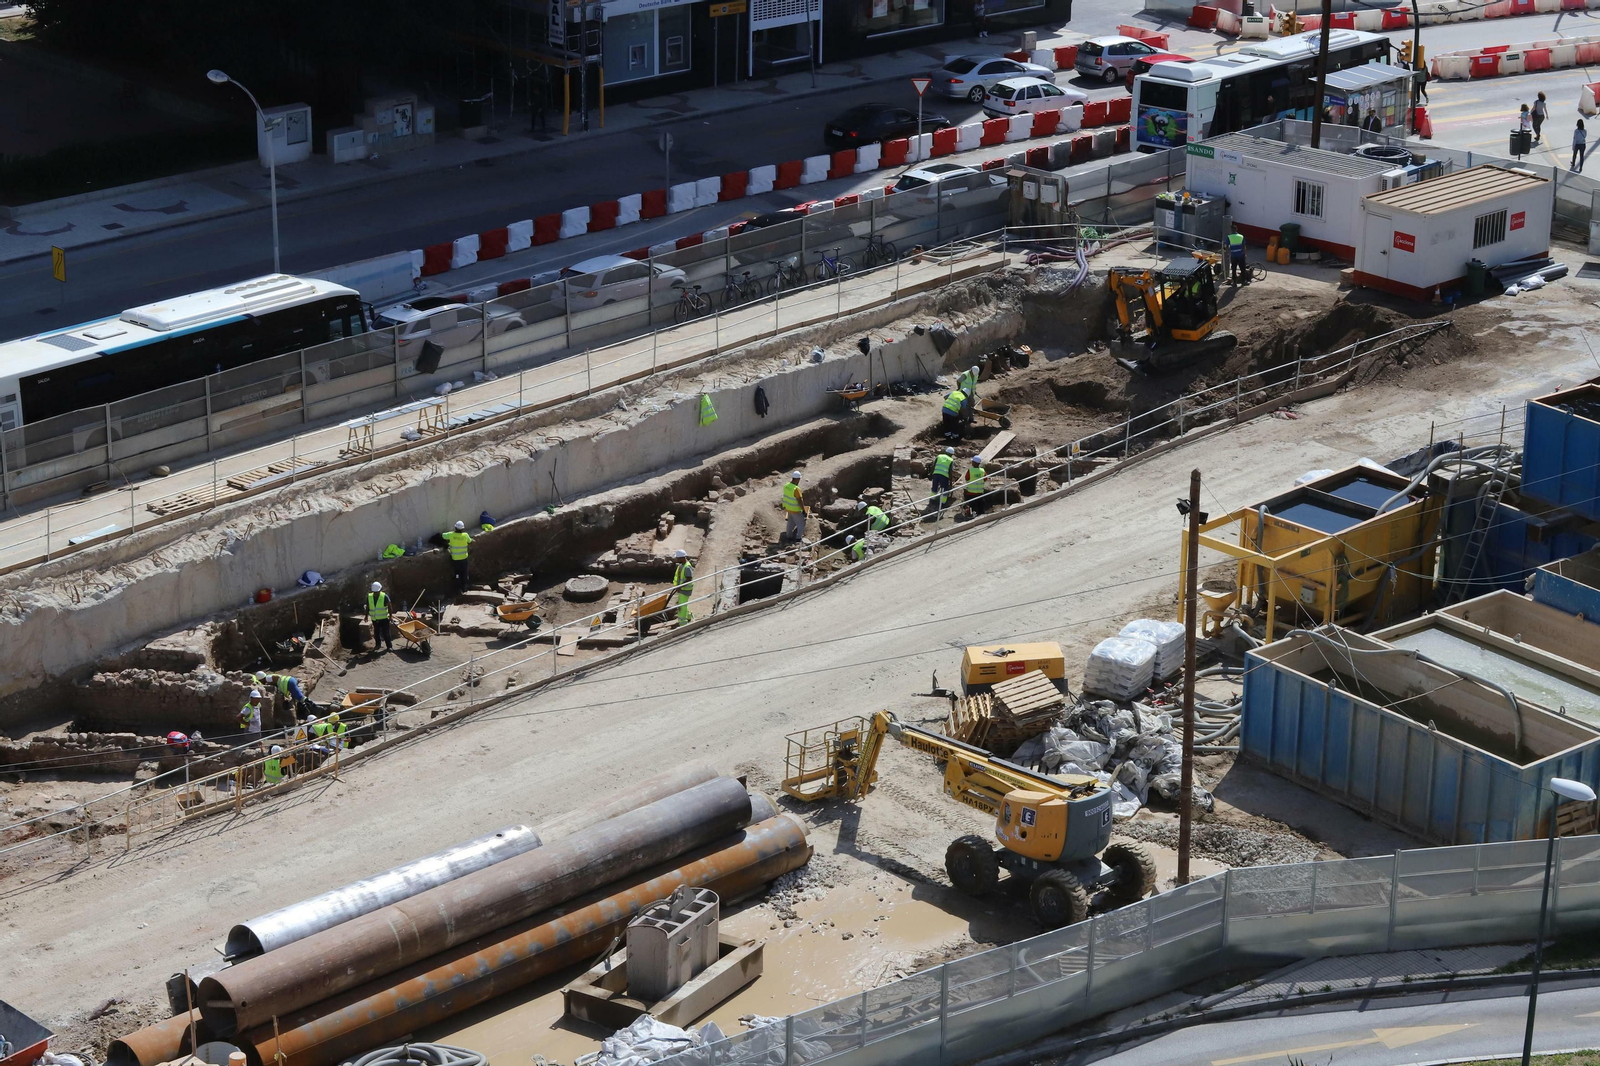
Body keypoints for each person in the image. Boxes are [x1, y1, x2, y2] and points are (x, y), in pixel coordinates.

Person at [443, 520, 473, 595]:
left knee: (457, 573)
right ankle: (464, 588)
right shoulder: (465, 535)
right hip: (464, 558)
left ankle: (457, 588)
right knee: (464, 572)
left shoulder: (451, 535)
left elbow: (443, 535)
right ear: (463, 529)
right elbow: (470, 541)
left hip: (455, 559)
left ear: (455, 527)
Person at [367, 581, 395, 653]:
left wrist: (391, 616)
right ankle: (378, 644)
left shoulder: (384, 596)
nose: (376, 593)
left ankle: (389, 646)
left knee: (386, 633)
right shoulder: (369, 597)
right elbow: (368, 606)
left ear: (380, 590)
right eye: (375, 592)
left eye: (377, 592)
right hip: (375, 619)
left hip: (384, 619)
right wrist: (366, 616)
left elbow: (389, 606)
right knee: (376, 632)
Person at [780, 471, 806, 543]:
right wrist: (803, 510)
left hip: (788, 508)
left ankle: (789, 536)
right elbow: (800, 500)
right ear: (797, 479)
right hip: (795, 509)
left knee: (790, 522)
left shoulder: (786, 485)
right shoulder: (796, 489)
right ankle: (798, 538)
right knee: (801, 523)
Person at [671, 549, 694, 626]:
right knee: (683, 604)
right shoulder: (681, 566)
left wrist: (680, 586)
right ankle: (688, 615)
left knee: (682, 606)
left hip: (685, 590)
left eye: (678, 558)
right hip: (681, 589)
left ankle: (683, 623)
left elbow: (689, 578)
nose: (677, 559)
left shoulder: (687, 567)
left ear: (682, 558)